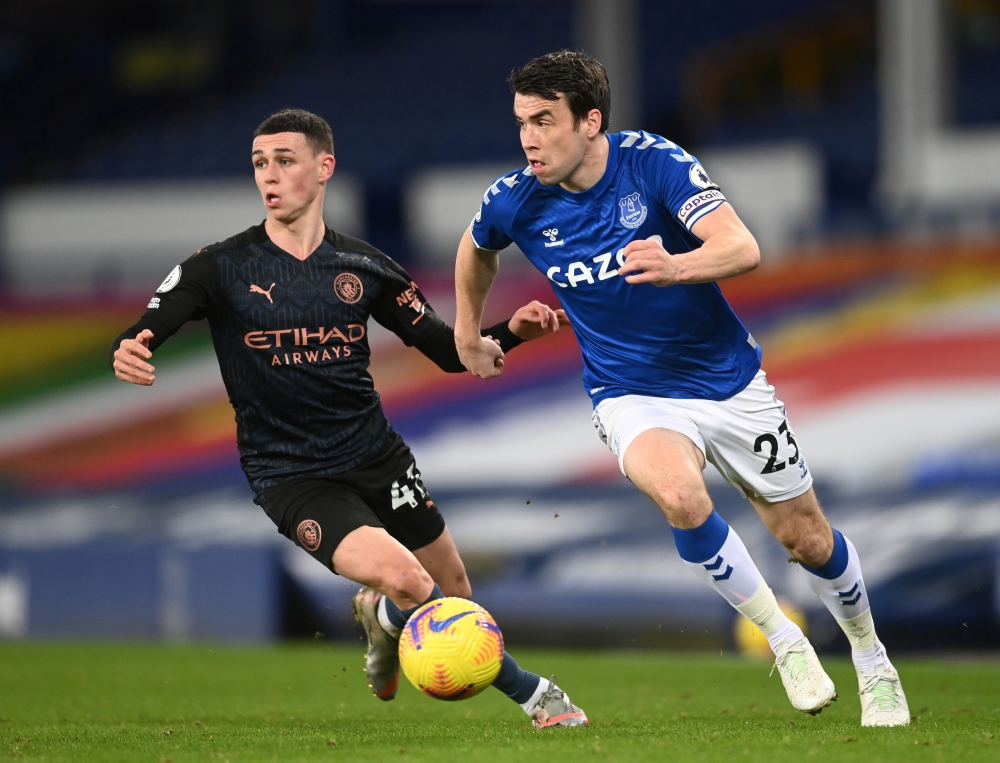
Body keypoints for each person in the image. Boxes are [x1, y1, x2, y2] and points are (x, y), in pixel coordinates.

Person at [453, 51, 909, 727]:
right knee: (677, 493)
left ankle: (872, 656)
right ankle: (784, 638)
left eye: (544, 120)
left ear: (590, 121)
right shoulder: (516, 197)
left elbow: (742, 245)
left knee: (806, 540)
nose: (528, 138)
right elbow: (476, 247)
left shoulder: (654, 162)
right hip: (628, 391)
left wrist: (677, 264)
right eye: (521, 121)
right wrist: (468, 331)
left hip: (726, 381)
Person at [110, 108, 588, 729]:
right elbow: (154, 318)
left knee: (455, 596)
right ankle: (537, 695)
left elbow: (450, 353)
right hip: (293, 477)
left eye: (284, 160)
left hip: (378, 458)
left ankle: (381, 621)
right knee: (414, 584)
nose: (269, 176)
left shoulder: (365, 268)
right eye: (260, 163)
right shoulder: (220, 267)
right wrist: (134, 343)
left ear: (324, 167)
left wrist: (512, 332)